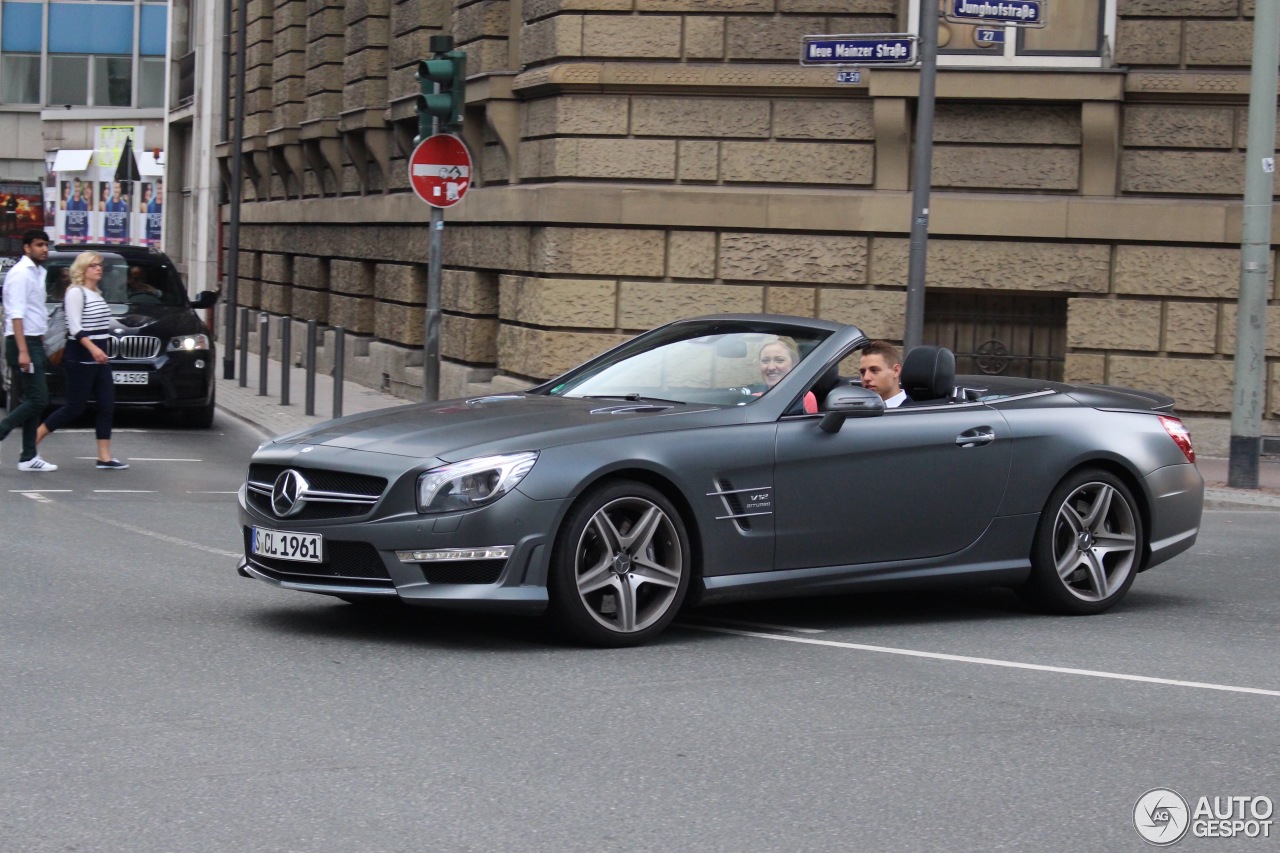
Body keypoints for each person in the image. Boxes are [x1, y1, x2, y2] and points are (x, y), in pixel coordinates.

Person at [34, 252, 128, 469]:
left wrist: (100, 351)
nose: (98, 269)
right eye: (93, 265)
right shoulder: (76, 292)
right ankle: (32, 442)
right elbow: (75, 327)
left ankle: (104, 457)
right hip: (81, 359)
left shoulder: (96, 293)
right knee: (74, 408)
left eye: (100, 265)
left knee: (106, 405)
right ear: (83, 269)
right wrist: (93, 349)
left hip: (101, 360)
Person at [0, 229, 57, 471]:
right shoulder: (21, 274)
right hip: (22, 343)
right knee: (39, 398)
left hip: (34, 341)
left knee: (33, 398)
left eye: (45, 244)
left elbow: (34, 312)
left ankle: (29, 456)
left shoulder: (37, 273)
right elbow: (16, 315)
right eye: (38, 245)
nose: (44, 249)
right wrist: (24, 351)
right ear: (26, 248)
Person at [756, 336, 817, 414]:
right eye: (765, 361)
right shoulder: (753, 398)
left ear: (794, 364)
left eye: (779, 360)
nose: (771, 367)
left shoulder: (804, 397)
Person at [859, 340, 910, 408]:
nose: (866, 378)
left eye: (874, 370)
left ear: (896, 371)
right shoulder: (858, 411)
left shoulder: (917, 413)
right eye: (863, 372)